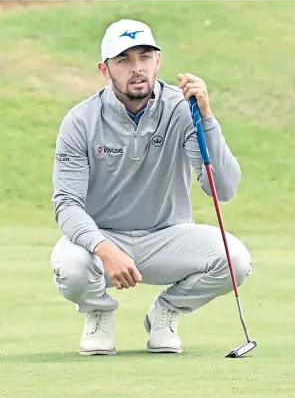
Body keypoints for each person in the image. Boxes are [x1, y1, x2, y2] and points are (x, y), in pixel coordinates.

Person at [50, 18, 253, 356]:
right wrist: (104, 248)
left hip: (167, 237)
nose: (137, 68)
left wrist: (206, 117)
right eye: (124, 60)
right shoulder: (80, 120)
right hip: (104, 239)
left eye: (145, 57)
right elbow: (67, 205)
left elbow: (225, 189)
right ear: (105, 69)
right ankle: (98, 313)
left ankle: (166, 313)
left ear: (158, 61)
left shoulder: (181, 110)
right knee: (70, 265)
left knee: (235, 261)